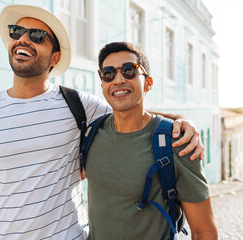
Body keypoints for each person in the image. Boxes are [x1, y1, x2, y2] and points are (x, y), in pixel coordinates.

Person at [0, 5, 204, 240]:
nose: (24, 39)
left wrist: (183, 120)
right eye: (17, 32)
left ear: (55, 58)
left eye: (37, 36)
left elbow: (132, 112)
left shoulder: (78, 104)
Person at [84, 42, 218, 240]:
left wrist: (183, 120)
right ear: (103, 84)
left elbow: (203, 231)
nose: (118, 79)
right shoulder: (91, 133)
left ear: (148, 83)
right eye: (108, 73)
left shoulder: (177, 142)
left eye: (129, 70)